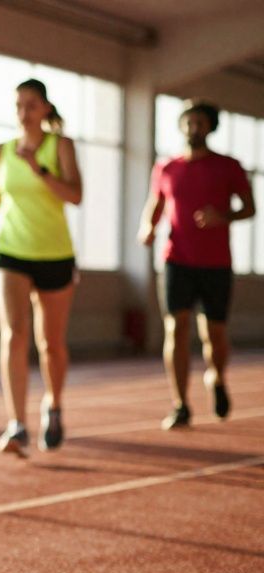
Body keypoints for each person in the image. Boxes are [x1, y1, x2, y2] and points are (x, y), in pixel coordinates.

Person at [0, 79, 84, 457]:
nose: (24, 111)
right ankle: (17, 425)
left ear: (46, 109)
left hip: (54, 254)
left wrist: (39, 169)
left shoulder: (60, 145)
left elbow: (75, 195)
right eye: (19, 104)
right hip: (10, 250)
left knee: (50, 344)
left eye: (31, 104)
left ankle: (53, 404)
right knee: (14, 334)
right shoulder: (2, 150)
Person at [138, 100, 255, 429]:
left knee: (214, 334)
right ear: (181, 125)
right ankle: (180, 404)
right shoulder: (166, 167)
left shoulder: (229, 166)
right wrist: (148, 227)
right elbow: (155, 203)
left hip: (216, 262)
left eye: (200, 123)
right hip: (177, 260)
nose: (193, 128)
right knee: (175, 328)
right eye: (188, 122)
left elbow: (250, 208)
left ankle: (216, 378)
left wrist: (223, 215)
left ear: (211, 127)